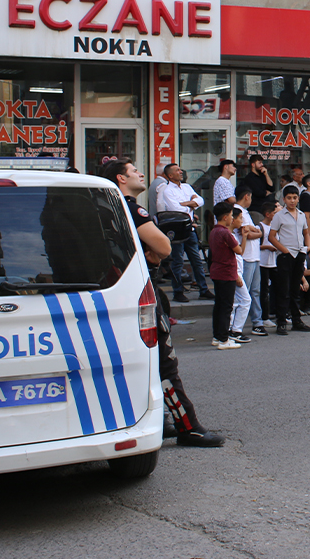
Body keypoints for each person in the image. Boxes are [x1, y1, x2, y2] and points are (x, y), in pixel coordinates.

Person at [100, 157, 224, 448]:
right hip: (143, 291)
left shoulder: (106, 209)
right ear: (120, 179)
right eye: (133, 171)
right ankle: (188, 426)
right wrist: (154, 250)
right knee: (164, 362)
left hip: (122, 290)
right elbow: (164, 247)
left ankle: (158, 419)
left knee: (140, 360)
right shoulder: (131, 207)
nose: (140, 173)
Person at [157, 163, 214, 303]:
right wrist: (190, 203)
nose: (181, 171)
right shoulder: (167, 190)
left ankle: (203, 289)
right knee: (178, 261)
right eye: (177, 170)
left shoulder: (187, 187)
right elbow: (175, 209)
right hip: (177, 230)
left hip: (190, 228)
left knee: (196, 260)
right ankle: (178, 291)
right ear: (170, 175)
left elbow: (199, 201)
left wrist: (187, 203)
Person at [267, 185, 310, 335]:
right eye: (289, 198)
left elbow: (306, 232)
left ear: (298, 198)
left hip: (299, 254)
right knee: (283, 290)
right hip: (286, 256)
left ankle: (296, 320)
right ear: (284, 199)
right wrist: (284, 250)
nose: (292, 201)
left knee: (295, 290)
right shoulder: (279, 216)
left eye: (295, 197)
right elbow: (272, 236)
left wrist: (306, 247)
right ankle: (281, 322)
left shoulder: (301, 215)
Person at [208, 203, 249, 349]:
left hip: (217, 271)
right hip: (227, 272)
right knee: (226, 307)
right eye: (231, 216)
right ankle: (224, 339)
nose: (232, 219)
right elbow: (239, 251)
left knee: (219, 306)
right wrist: (244, 238)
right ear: (225, 217)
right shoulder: (225, 233)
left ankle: (217, 336)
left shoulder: (214, 231)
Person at [233, 186, 267, 338]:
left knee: (255, 291)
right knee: (243, 292)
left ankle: (257, 322)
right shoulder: (236, 210)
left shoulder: (245, 212)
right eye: (251, 197)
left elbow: (255, 231)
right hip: (245, 256)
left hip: (254, 255)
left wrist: (256, 231)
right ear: (247, 196)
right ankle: (235, 325)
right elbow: (245, 232)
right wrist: (257, 232)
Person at [257, 200, 280, 329]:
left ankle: (277, 312)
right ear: (267, 214)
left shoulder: (275, 227)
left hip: (273, 262)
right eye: (274, 213)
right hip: (263, 262)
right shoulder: (260, 227)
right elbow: (255, 246)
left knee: (277, 287)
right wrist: (267, 247)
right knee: (264, 290)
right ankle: (264, 316)